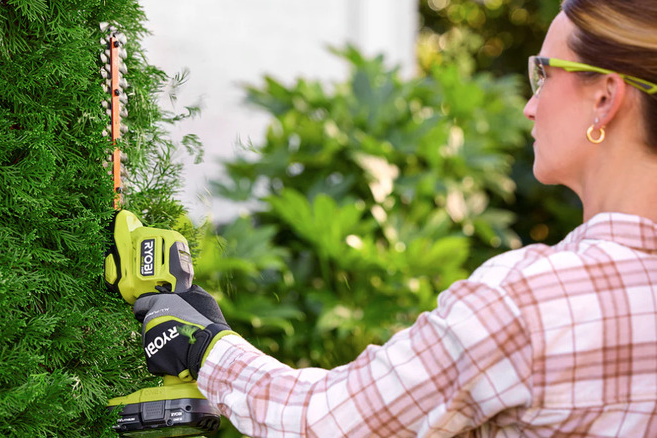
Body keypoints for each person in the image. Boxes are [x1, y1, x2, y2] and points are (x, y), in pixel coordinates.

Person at [128, 0, 657, 435]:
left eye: (543, 73)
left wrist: (204, 346)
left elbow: (324, 421)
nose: (530, 105)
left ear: (605, 95)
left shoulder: (532, 301)